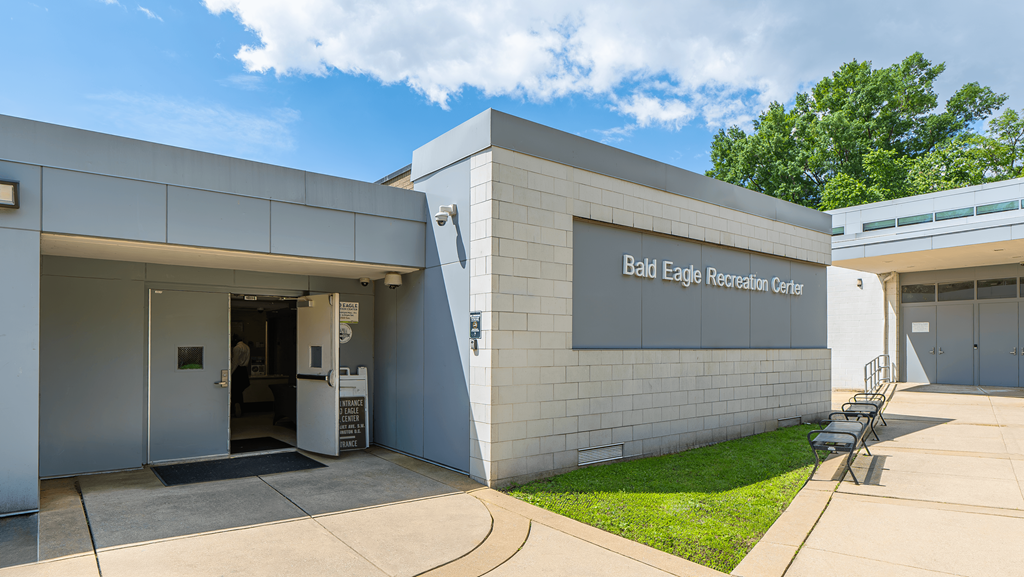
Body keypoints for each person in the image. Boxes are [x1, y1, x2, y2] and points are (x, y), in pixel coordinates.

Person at [231, 335, 251, 418]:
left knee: (235, 391)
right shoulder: (247, 347)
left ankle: (234, 409)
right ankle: (241, 409)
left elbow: (235, 361)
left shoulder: (237, 348)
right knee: (239, 391)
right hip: (244, 370)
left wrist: (231, 372)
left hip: (237, 371)